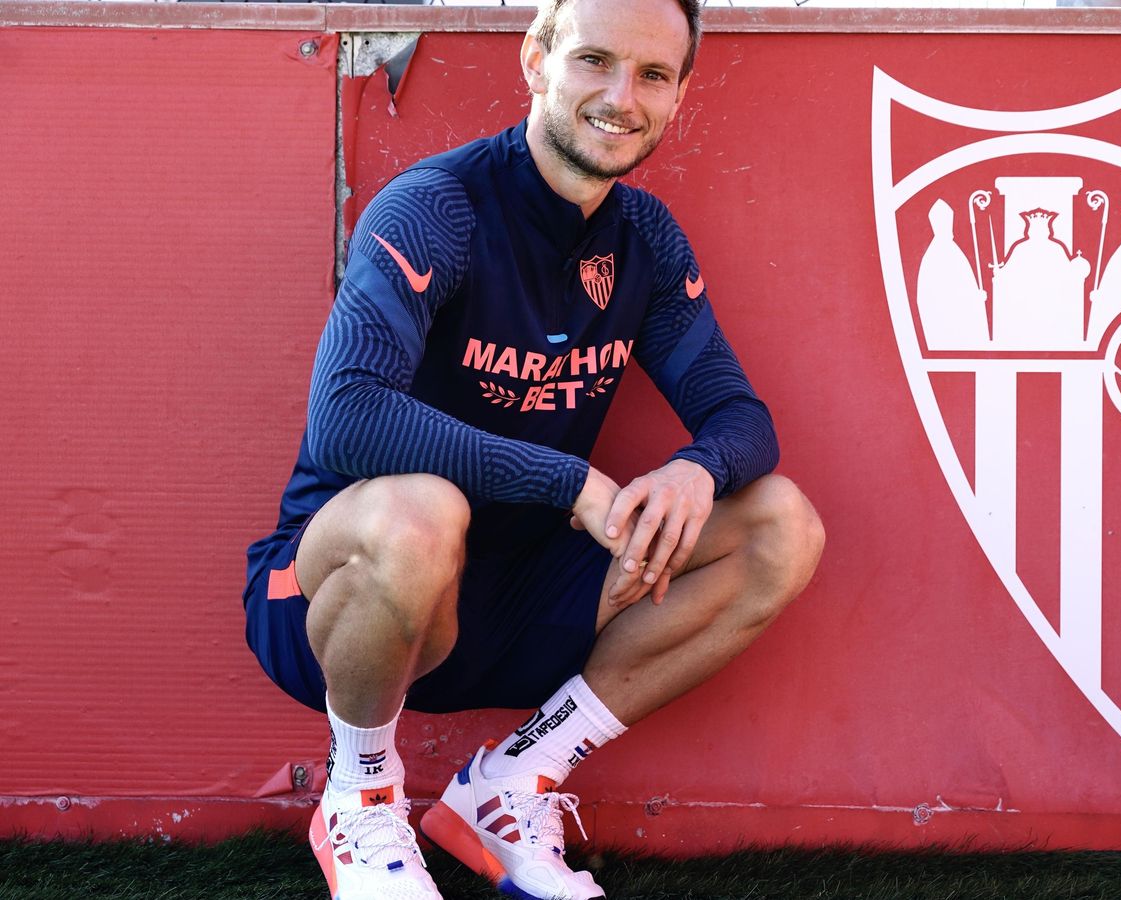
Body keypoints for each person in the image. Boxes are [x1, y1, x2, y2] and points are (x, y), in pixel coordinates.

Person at [240, 0, 825, 895]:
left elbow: (741, 417)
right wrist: (574, 485)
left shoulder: (646, 240)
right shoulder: (437, 207)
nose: (621, 96)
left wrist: (693, 470)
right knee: (422, 510)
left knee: (781, 523)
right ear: (535, 58)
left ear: (676, 94)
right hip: (342, 593)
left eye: (653, 75)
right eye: (595, 61)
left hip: (523, 596)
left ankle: (511, 786)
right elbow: (348, 416)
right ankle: (359, 799)